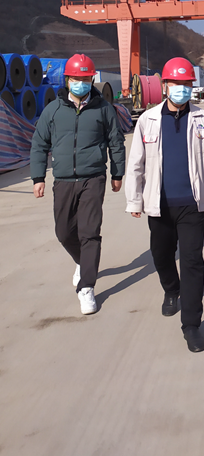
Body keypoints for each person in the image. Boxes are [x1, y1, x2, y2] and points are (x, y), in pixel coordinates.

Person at [125, 57, 204, 353]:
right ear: (165, 85)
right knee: (161, 255)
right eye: (176, 83)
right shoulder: (148, 120)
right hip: (159, 204)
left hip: (192, 203)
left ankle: (191, 324)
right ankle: (171, 289)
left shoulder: (203, 118)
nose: (181, 89)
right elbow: (136, 163)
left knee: (192, 261)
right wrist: (134, 199)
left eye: (186, 84)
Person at [31, 53, 125, 315]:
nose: (80, 83)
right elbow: (39, 144)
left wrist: (117, 173)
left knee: (89, 232)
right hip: (63, 180)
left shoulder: (103, 108)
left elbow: (116, 142)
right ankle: (82, 262)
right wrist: (38, 177)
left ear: (92, 80)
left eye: (85, 79)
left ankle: (87, 287)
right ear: (67, 80)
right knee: (63, 232)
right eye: (76, 78)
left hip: (93, 178)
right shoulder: (53, 110)